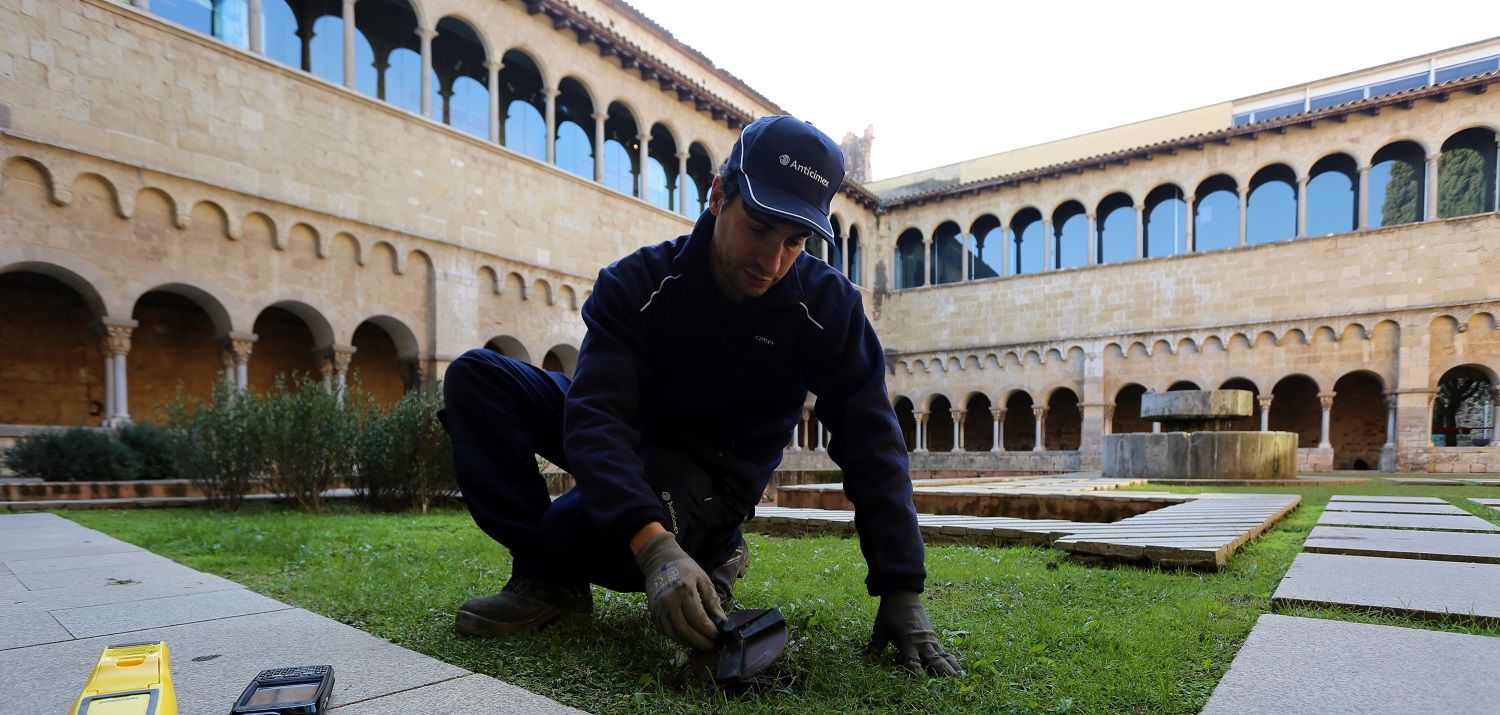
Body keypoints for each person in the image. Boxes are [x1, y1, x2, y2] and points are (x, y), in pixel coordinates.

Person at [439, 115, 961, 677]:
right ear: (718, 196)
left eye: (794, 241)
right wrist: (655, 548)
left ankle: (717, 549)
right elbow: (595, 419)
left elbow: (872, 444)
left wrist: (901, 591)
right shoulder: (638, 284)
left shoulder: (826, 309)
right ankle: (547, 580)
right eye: (759, 228)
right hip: (637, 430)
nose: (772, 261)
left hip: (708, 473)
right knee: (478, 378)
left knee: (575, 526)